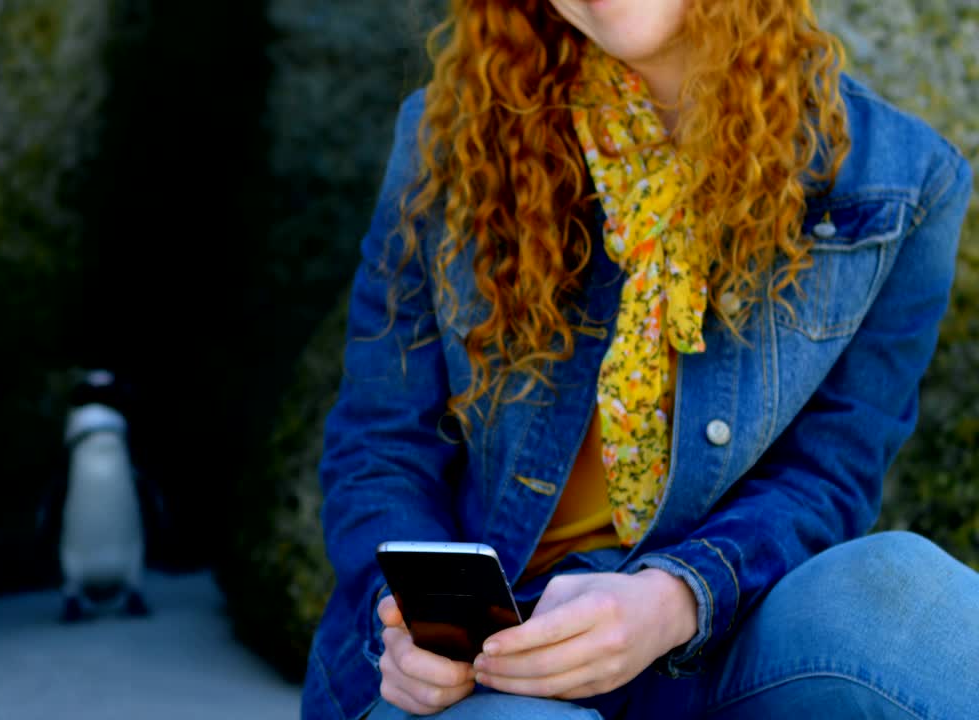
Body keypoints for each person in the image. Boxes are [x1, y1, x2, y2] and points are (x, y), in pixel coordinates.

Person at [302, 1, 977, 719]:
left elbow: (827, 479)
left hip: (716, 636)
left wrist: (673, 599)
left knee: (910, 591)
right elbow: (381, 448)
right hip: (504, 651)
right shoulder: (451, 133)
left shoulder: (901, 182)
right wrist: (412, 626)